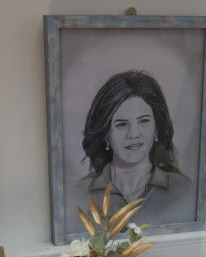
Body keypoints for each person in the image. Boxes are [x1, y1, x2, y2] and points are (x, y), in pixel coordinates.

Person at [76, 70, 195, 225]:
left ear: (157, 126)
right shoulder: (79, 193)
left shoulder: (183, 190)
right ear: (105, 133)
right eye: (122, 124)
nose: (133, 134)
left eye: (144, 121)